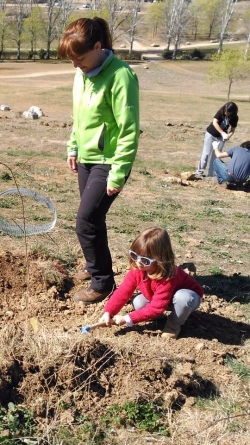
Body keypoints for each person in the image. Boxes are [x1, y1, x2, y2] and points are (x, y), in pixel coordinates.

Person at [58, 17, 140, 303]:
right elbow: (80, 117)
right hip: (86, 157)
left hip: (109, 160)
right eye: (71, 60)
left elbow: (129, 129)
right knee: (93, 220)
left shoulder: (121, 76)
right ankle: (93, 267)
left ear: (97, 46)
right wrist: (73, 146)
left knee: (85, 221)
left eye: (79, 58)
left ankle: (103, 283)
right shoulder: (82, 73)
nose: (75, 65)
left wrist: (118, 172)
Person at [98, 227, 204, 339]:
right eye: (134, 255)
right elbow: (122, 292)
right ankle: (158, 318)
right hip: (161, 299)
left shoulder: (168, 275)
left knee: (183, 297)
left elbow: (156, 307)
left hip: (186, 299)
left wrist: (127, 319)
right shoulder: (137, 271)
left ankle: (173, 325)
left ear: (160, 259)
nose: (138, 262)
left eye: (145, 260)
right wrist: (108, 312)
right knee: (138, 302)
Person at [196, 102, 238, 178]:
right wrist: (222, 132)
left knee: (215, 156)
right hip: (211, 134)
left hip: (220, 138)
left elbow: (232, 130)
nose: (225, 113)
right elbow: (215, 123)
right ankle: (199, 172)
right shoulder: (220, 111)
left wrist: (228, 136)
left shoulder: (234, 117)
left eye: (228, 112)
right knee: (206, 154)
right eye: (225, 111)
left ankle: (211, 175)